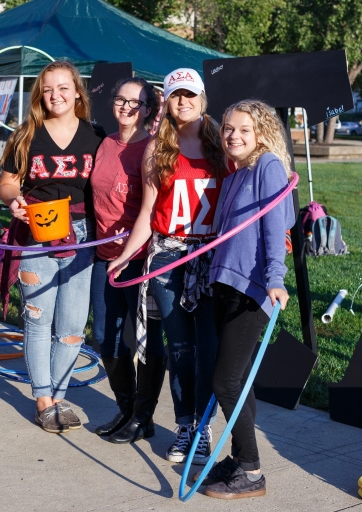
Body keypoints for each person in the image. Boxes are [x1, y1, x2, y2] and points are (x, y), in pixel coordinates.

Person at [108, 68, 226, 461]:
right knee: (180, 348)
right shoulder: (158, 149)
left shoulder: (222, 144)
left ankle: (204, 427)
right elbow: (147, 213)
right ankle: (185, 425)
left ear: (202, 98)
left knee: (208, 348)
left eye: (190, 95)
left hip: (211, 258)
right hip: (169, 256)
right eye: (176, 95)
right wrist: (126, 255)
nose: (183, 102)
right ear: (167, 101)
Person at [0, 60, 104, 434]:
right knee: (39, 321)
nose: (56, 95)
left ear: (78, 91)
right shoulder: (26, 134)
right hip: (37, 232)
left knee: (73, 327)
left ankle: (57, 396)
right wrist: (14, 201)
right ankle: (44, 401)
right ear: (39, 95)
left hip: (82, 234)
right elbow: (8, 182)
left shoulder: (97, 135)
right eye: (48, 89)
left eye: (63, 88)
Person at [199, 100, 294, 499]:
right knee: (239, 382)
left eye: (243, 129)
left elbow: (275, 227)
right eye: (228, 128)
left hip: (253, 289)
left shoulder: (267, 166)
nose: (233, 136)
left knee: (225, 380)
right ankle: (241, 458)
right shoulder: (237, 172)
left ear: (261, 133)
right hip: (226, 285)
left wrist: (275, 278)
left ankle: (252, 472)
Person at [89, 77, 167, 444]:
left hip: (137, 259)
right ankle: (125, 408)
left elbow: (150, 211)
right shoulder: (104, 143)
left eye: (134, 103)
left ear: (148, 110)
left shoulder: (150, 149)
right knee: (105, 338)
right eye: (120, 99)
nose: (125, 107)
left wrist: (126, 254)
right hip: (102, 256)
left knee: (139, 339)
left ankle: (143, 415)